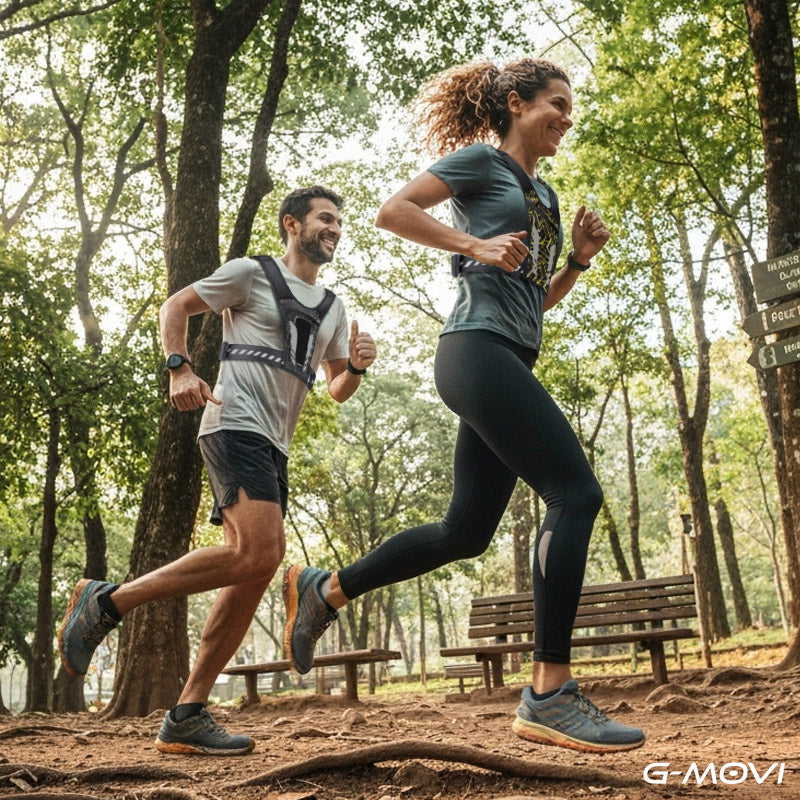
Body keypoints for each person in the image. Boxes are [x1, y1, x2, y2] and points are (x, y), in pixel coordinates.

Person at [282, 59, 645, 754]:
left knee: (464, 532)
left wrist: (577, 262)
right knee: (574, 493)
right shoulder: (482, 161)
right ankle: (549, 693)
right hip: (473, 351)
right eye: (556, 104)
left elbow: (531, 301)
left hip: (508, 352)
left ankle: (327, 588)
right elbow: (395, 211)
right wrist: (472, 242)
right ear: (516, 103)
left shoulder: (544, 192)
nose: (567, 117)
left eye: (571, 108)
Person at [58, 185, 376, 756]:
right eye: (324, 219)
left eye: (338, 222)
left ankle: (187, 712)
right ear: (291, 225)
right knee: (260, 554)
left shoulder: (333, 308)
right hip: (233, 424)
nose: (334, 228)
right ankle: (107, 603)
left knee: (252, 571)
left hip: (275, 444)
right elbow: (175, 305)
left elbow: (336, 389)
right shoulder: (251, 274)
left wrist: (354, 365)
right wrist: (180, 368)